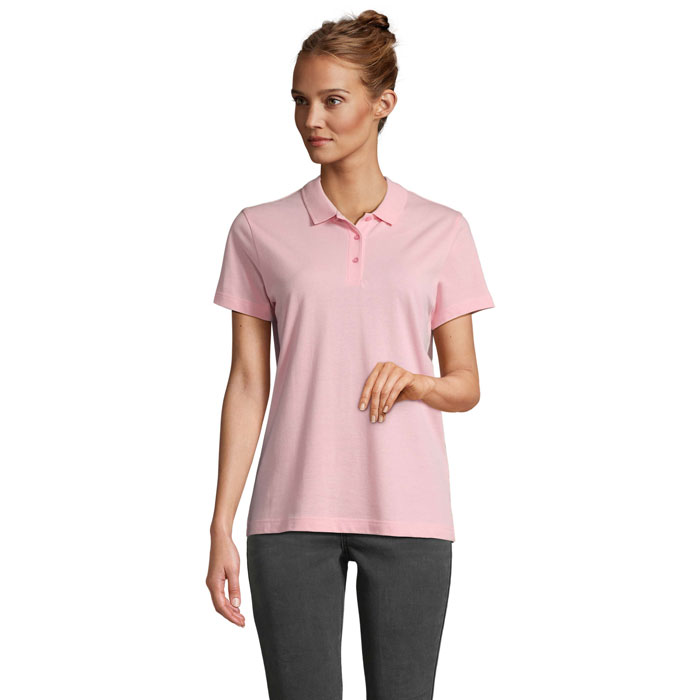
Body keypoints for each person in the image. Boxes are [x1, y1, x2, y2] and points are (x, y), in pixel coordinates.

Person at [206, 10, 495, 700]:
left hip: (410, 510)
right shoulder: (258, 230)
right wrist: (221, 524)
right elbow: (248, 383)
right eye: (300, 100)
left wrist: (416, 382)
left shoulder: (443, 230)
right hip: (289, 513)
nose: (312, 119)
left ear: (383, 104)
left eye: (332, 100)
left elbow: (465, 385)